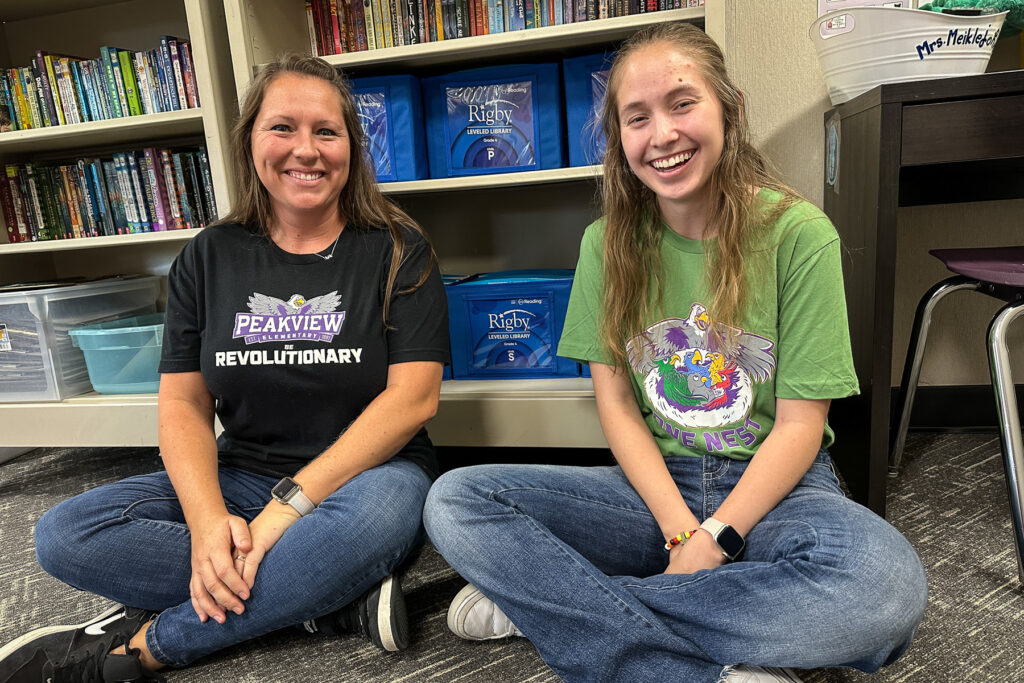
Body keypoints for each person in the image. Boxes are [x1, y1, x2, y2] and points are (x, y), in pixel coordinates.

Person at [424, 21, 927, 683]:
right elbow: (619, 407)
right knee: (455, 501)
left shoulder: (801, 235)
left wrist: (717, 538)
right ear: (620, 136)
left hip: (776, 486)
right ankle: (690, 657)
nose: (662, 133)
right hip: (654, 488)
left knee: (887, 588)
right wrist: (682, 533)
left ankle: (556, 607)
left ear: (730, 109)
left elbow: (801, 425)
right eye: (637, 117)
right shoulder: (605, 244)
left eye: (682, 103)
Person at [0, 54, 449, 682]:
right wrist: (210, 522)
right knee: (64, 532)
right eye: (282, 128)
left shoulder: (399, 248)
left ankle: (145, 648)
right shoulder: (209, 255)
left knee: (375, 525)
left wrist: (286, 509)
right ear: (250, 142)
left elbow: (414, 400)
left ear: (352, 145)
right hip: (244, 473)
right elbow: (184, 404)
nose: (306, 151)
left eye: (327, 131)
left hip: (369, 478)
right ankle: (326, 603)